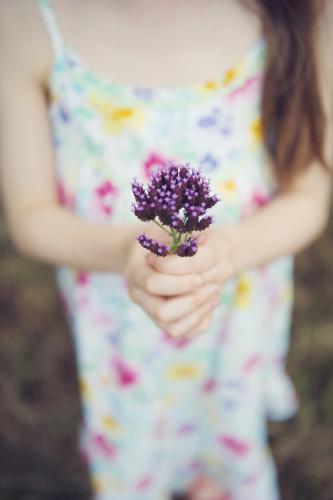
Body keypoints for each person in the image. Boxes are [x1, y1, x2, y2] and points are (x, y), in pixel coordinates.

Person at [0, 0, 332, 499]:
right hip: (120, 312)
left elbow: (308, 198)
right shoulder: (27, 23)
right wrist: (125, 254)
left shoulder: (295, 13)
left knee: (226, 398)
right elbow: (30, 215)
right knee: (143, 420)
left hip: (240, 297)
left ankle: (212, 471)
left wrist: (230, 250)